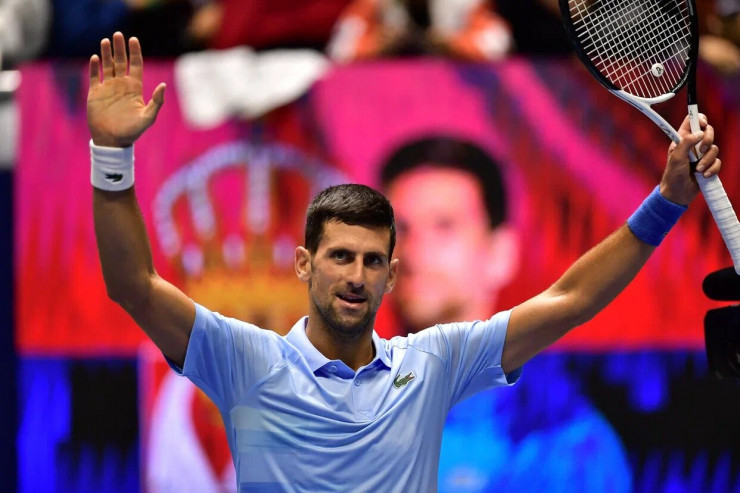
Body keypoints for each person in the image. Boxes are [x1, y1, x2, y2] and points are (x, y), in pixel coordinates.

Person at [88, 32, 721, 491]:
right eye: (339, 256)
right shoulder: (247, 361)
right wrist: (111, 157)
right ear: (304, 264)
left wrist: (667, 200)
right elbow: (133, 285)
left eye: (372, 261)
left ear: (392, 275)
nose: (354, 275)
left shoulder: (434, 365)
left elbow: (571, 299)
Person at [379, 136, 632, 491]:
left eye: (444, 225)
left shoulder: (561, 442)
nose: (413, 250)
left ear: (500, 254)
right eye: (399, 229)